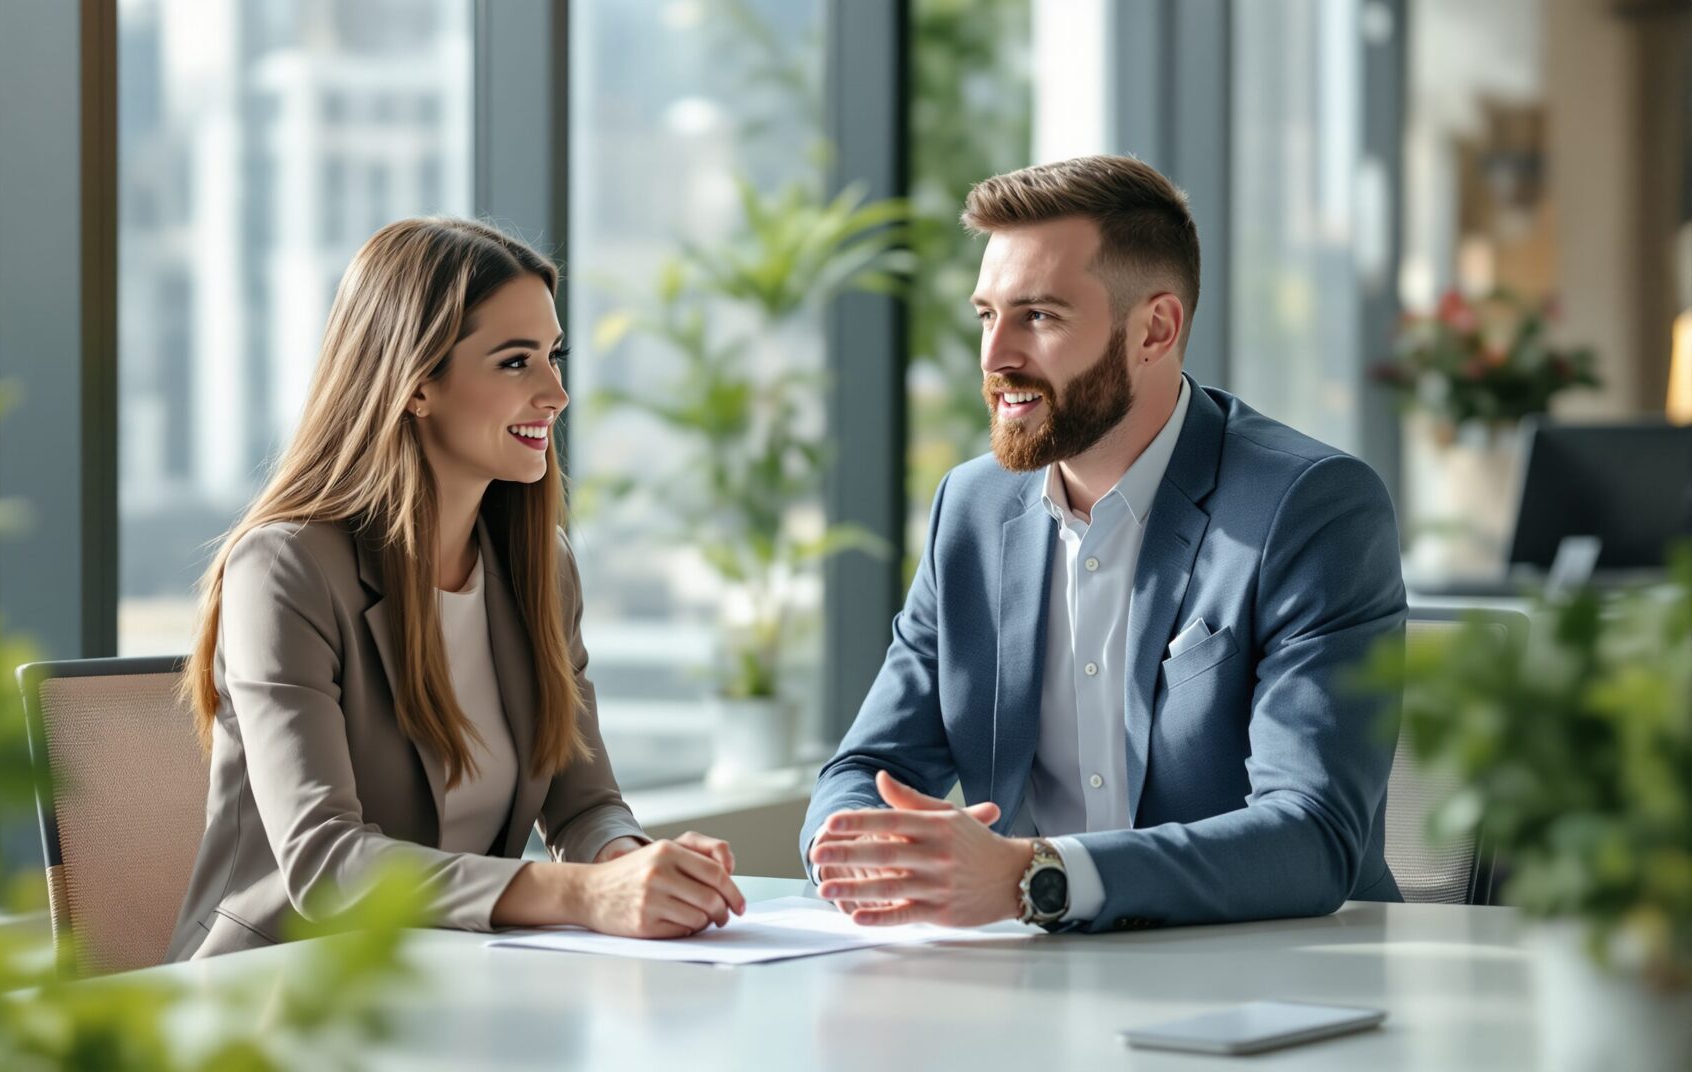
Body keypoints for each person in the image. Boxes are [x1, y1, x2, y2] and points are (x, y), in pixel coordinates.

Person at [800, 155, 1406, 933]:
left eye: (1039, 317)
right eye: (987, 315)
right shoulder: (972, 509)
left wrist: (1035, 877)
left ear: (1155, 329)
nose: (994, 356)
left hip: (1269, 970)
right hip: (1027, 976)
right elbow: (866, 768)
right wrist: (855, 849)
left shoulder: (1310, 508)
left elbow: (1312, 835)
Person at [167, 218, 744, 961]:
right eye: (515, 362)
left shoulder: (542, 568)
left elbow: (585, 804)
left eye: (554, 357)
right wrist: (580, 895)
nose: (556, 393)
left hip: (454, 975)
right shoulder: (286, 569)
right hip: (283, 986)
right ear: (416, 386)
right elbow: (325, 863)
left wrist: (633, 867)